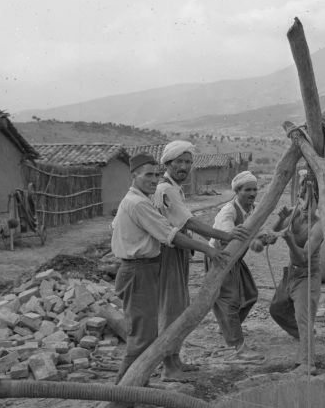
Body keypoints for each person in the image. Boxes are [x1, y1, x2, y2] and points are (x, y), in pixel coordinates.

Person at [110, 152, 229, 384]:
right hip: (138, 271)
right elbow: (171, 234)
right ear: (134, 175)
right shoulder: (138, 203)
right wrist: (209, 249)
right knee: (142, 339)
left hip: (144, 269)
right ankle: (122, 393)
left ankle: (135, 388)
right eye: (148, 175)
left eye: (156, 175)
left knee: (145, 334)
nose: (154, 180)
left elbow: (116, 226)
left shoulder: (140, 200)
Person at [152, 140, 249, 381]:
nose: (184, 166)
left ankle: (175, 360)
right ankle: (169, 367)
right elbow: (188, 223)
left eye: (188, 162)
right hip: (169, 254)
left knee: (178, 307)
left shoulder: (174, 187)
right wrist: (221, 237)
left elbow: (186, 222)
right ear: (168, 163)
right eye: (179, 162)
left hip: (178, 252)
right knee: (171, 310)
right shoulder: (166, 190)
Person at [267, 171, 323, 375]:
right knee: (277, 309)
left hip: (307, 275)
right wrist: (278, 222)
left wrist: (289, 239)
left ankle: (308, 364)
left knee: (303, 317)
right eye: (301, 190)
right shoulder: (293, 213)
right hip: (291, 273)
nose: (304, 198)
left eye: (310, 195)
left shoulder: (318, 226)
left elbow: (303, 258)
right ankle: (305, 336)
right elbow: (270, 238)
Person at [205, 170, 263, 361]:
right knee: (229, 300)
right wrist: (253, 240)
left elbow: (253, 238)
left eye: (255, 189)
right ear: (237, 191)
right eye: (248, 190)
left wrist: (262, 238)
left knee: (251, 294)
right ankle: (238, 346)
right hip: (222, 257)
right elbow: (230, 236)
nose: (252, 193)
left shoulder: (251, 209)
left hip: (235, 258)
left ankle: (228, 328)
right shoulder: (228, 211)